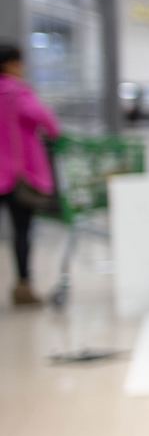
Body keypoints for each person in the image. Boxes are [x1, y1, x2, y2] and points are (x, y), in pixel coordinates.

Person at [0, 42, 61, 306]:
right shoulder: (17, 93)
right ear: (12, 64)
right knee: (21, 232)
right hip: (17, 176)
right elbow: (48, 123)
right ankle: (23, 286)